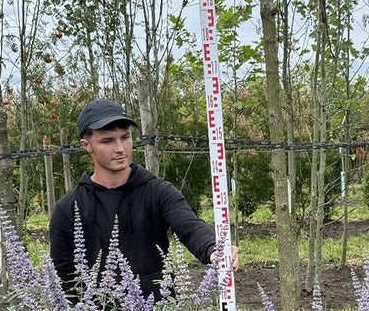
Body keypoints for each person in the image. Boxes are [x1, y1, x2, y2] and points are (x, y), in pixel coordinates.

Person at [48, 98, 237, 300]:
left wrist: (213, 248)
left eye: (125, 137)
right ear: (87, 145)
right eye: (108, 141)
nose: (120, 148)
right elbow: (64, 276)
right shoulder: (69, 208)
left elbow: (189, 226)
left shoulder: (157, 191)